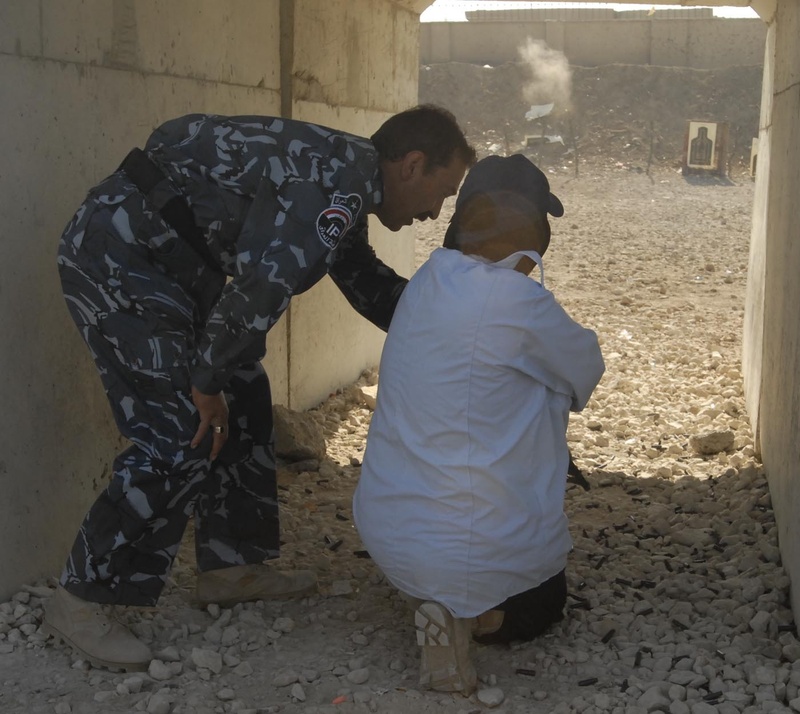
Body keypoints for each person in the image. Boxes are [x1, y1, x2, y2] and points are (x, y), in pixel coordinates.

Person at [44, 106, 476, 672]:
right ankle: (78, 599)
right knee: (181, 428)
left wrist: (465, 324)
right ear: (412, 165)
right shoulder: (331, 186)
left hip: (167, 270)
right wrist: (202, 381)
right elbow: (259, 289)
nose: (433, 213)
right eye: (440, 193)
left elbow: (365, 283)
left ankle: (229, 567)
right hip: (119, 259)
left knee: (243, 387)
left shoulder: (345, 180)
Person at [353, 154, 605, 694]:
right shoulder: (517, 301)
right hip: (469, 547)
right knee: (543, 603)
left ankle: (429, 592)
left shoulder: (427, 279)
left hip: (388, 534)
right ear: (528, 227)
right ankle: (471, 617)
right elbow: (586, 368)